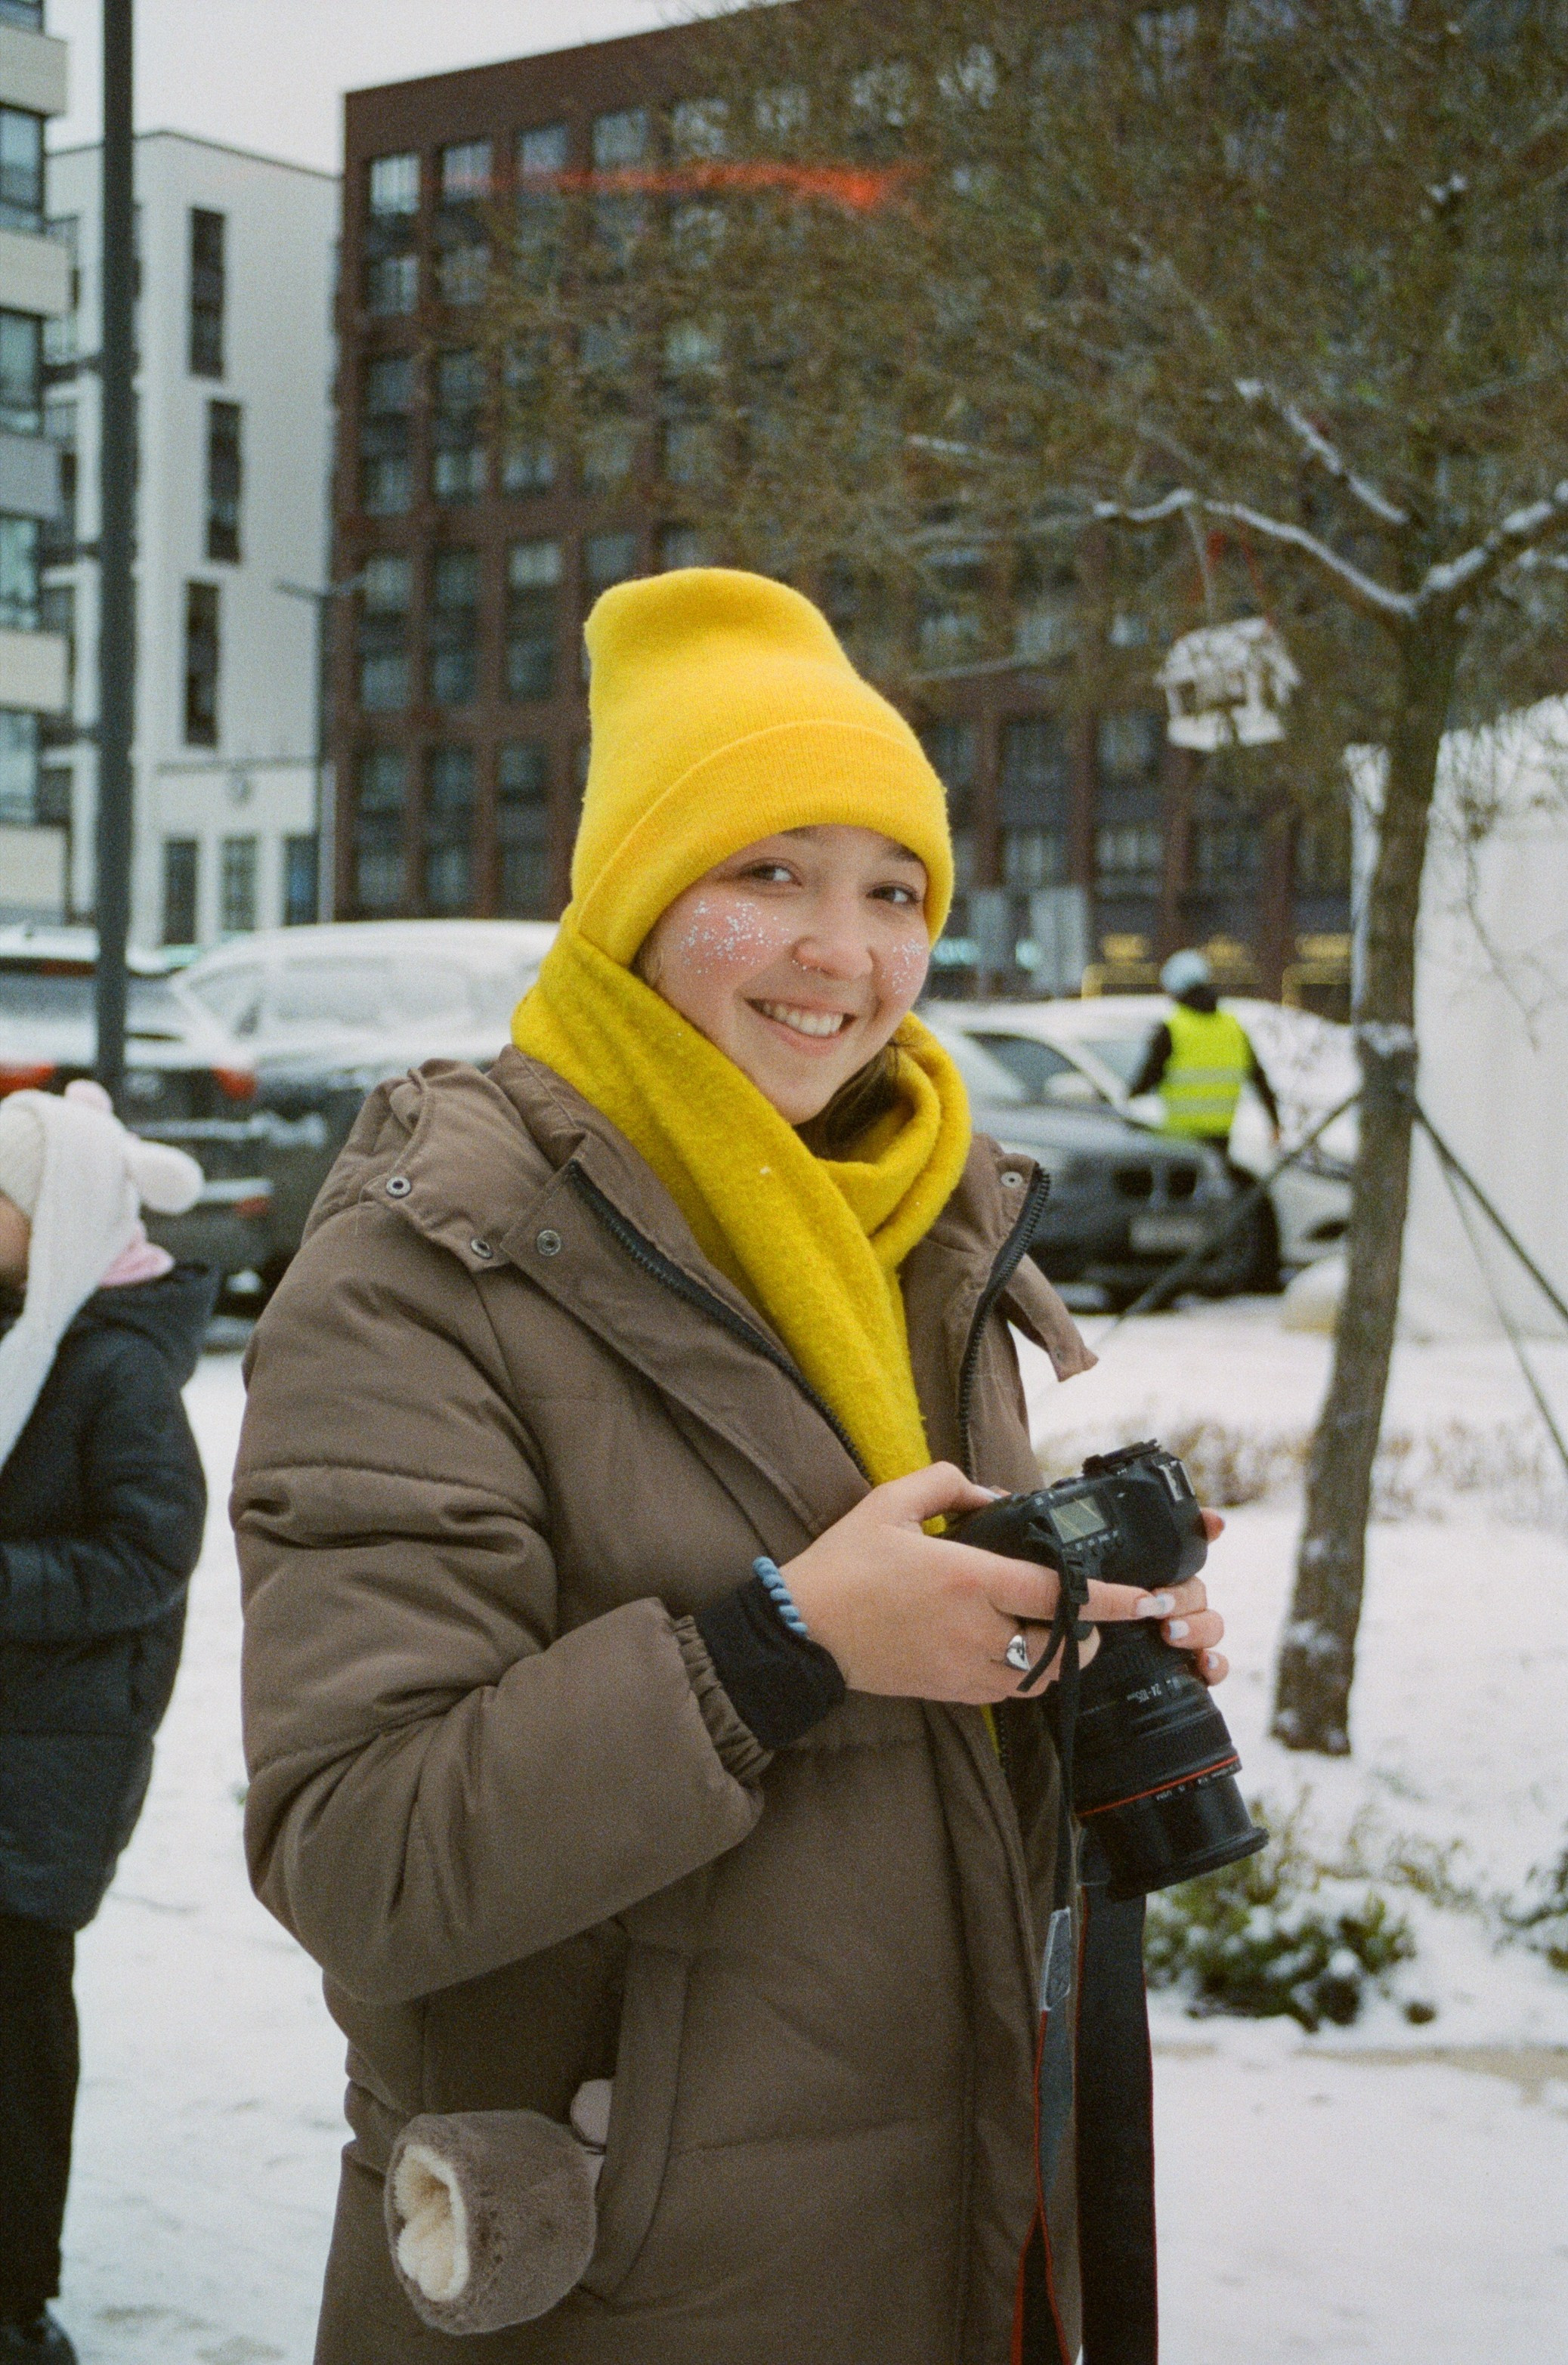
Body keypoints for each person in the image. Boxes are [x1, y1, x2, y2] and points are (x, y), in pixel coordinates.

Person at [234, 570, 1229, 2365]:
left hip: (947, 2251)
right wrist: (784, 1650)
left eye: (892, 889)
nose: (840, 954)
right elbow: (356, 1855)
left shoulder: (918, 1227)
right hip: (618, 2285)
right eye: (764, 872)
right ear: (630, 899)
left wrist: (1050, 1648)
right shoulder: (426, 1265)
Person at [0, 1082, 213, 2362]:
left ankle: (16, 2303)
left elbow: (150, 1559)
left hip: (54, 1762)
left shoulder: (116, 1365)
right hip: (19, 1737)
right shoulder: (28, 1331)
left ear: (58, 1213)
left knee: (18, 2041)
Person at [1131, 947, 1280, 1149]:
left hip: (1178, 1140)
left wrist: (1124, 1106)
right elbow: (1258, 1077)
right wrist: (1275, 1123)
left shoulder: (1173, 1028)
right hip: (1221, 1138)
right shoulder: (1233, 1027)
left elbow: (1147, 1078)